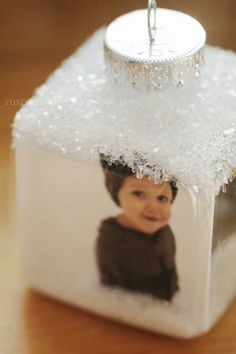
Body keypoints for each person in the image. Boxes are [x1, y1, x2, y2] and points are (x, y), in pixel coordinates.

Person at [95, 156, 179, 301]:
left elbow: (170, 270)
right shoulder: (111, 240)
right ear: (117, 195)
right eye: (139, 194)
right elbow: (110, 287)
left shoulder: (164, 232)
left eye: (162, 198)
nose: (153, 208)